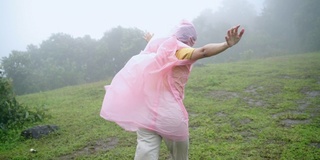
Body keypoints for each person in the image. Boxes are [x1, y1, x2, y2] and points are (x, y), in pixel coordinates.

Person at [100, 20, 245, 160]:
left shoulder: (156, 50)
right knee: (180, 156)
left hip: (146, 116)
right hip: (169, 117)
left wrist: (151, 39)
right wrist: (226, 44)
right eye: (193, 40)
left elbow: (159, 44)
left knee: (144, 153)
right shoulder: (180, 52)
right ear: (190, 39)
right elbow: (204, 51)